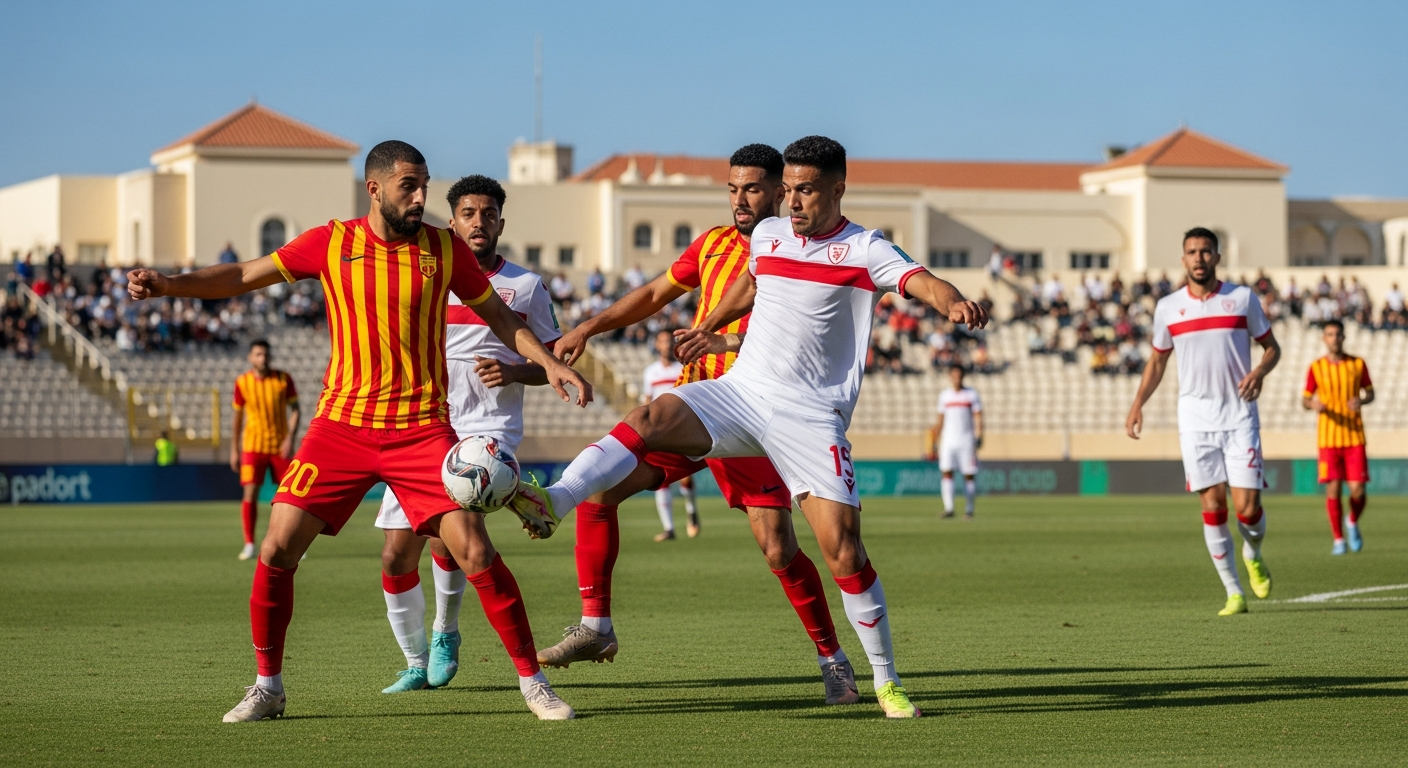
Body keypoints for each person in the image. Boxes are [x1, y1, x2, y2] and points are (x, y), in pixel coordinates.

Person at [514, 136, 989, 718]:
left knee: (840, 550)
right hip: (741, 392)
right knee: (651, 415)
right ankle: (555, 501)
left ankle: (885, 680)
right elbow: (752, 279)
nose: (792, 202)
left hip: (810, 416)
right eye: (787, 190)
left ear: (838, 189)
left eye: (805, 190)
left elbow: (921, 280)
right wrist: (710, 323)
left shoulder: (865, 249)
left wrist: (953, 299)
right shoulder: (768, 235)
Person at [125, 140, 591, 723]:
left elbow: (499, 316)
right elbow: (246, 274)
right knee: (275, 548)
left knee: (473, 549)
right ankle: (267, 687)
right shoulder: (332, 241)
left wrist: (548, 363)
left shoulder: (444, 249)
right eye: (409, 187)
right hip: (341, 426)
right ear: (374, 189)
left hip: (421, 430)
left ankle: (534, 684)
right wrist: (170, 285)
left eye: (424, 185)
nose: (421, 197)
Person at [537, 144, 864, 709]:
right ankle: (596, 625)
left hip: (760, 415)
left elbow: (804, 338)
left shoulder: (797, 253)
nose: (741, 199)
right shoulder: (713, 244)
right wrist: (589, 326)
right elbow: (656, 294)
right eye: (734, 188)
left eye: (754, 189)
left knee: (778, 548)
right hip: (698, 408)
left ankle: (833, 659)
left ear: (781, 192)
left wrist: (727, 340)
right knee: (600, 487)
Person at [373, 174, 562, 693]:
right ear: (451, 221)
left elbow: (552, 356)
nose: (479, 222)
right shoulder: (423, 272)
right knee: (396, 552)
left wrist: (515, 370)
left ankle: (444, 632)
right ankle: (414, 661)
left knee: (460, 534)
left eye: (489, 213)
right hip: (424, 417)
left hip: (488, 425)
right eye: (469, 214)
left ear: (502, 221)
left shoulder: (525, 287)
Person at [1126, 227, 1280, 617]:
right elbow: (1158, 361)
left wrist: (1260, 372)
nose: (1199, 258)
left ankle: (1253, 552)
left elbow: (1272, 348)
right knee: (1212, 504)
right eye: (1192, 252)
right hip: (1195, 418)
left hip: (1239, 414)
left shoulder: (1242, 298)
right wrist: (1137, 403)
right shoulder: (1167, 307)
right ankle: (1233, 592)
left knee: (1247, 509)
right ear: (1183, 259)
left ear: (1217, 256)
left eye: (1206, 251)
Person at [1302, 320, 1374, 555]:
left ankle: (1352, 520)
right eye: (1330, 334)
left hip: (1354, 436)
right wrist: (1314, 404)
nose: (1334, 338)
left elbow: (1370, 392)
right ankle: (1338, 540)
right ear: (1324, 338)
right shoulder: (1316, 367)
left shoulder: (1357, 364)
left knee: (1358, 491)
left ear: (1344, 337)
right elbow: (1305, 398)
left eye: (1338, 334)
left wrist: (1360, 400)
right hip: (1328, 439)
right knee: (1333, 490)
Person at [229, 339, 300, 561]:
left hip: (280, 446)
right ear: (250, 357)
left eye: (266, 354)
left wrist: (290, 437)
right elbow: (237, 418)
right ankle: (250, 543)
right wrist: (234, 449)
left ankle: (292, 542)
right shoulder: (242, 382)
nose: (263, 358)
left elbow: (295, 409)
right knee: (250, 493)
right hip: (253, 446)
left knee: (288, 497)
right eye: (258, 354)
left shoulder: (283, 379)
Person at [640, 329, 699, 541]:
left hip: (682, 426)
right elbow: (647, 402)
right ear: (656, 345)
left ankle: (691, 511)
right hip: (659, 429)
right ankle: (669, 528)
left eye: (668, 341)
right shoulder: (650, 372)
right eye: (662, 341)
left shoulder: (681, 369)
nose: (665, 344)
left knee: (685, 476)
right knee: (660, 476)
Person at [925, 364, 983, 519]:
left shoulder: (971, 394)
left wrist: (979, 436)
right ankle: (949, 508)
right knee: (947, 472)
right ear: (950, 376)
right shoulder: (945, 396)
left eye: (960, 375)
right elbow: (940, 420)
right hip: (948, 440)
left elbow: (978, 417)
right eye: (954, 375)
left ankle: (969, 509)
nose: (957, 378)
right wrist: (935, 440)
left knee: (969, 474)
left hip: (966, 440)